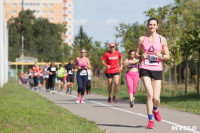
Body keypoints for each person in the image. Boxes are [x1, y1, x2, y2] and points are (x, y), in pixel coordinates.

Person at [135, 18, 170, 129]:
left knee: (156, 98)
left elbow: (168, 56)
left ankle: (155, 110)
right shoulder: (142, 39)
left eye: (154, 25)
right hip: (145, 68)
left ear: (157, 26)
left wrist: (161, 55)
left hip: (157, 69)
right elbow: (136, 54)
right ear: (147, 26)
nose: (152, 26)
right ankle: (150, 120)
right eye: (150, 24)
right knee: (149, 94)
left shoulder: (162, 39)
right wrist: (140, 56)